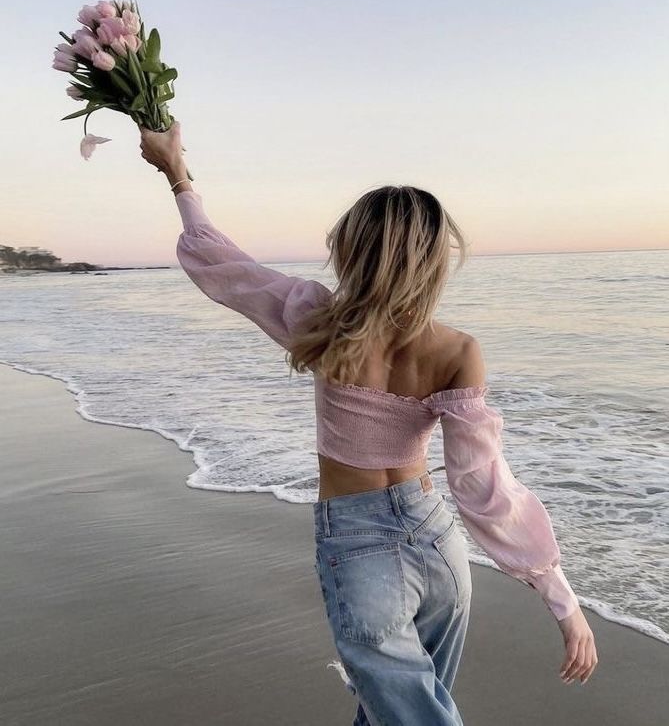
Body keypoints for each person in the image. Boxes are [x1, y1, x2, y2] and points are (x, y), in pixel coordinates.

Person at [139, 122, 598, 725]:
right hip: (436, 542)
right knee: (402, 711)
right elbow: (485, 488)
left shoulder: (318, 322)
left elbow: (220, 265)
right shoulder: (457, 351)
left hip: (357, 547)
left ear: (353, 251)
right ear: (433, 261)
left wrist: (177, 173)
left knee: (409, 716)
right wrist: (562, 600)